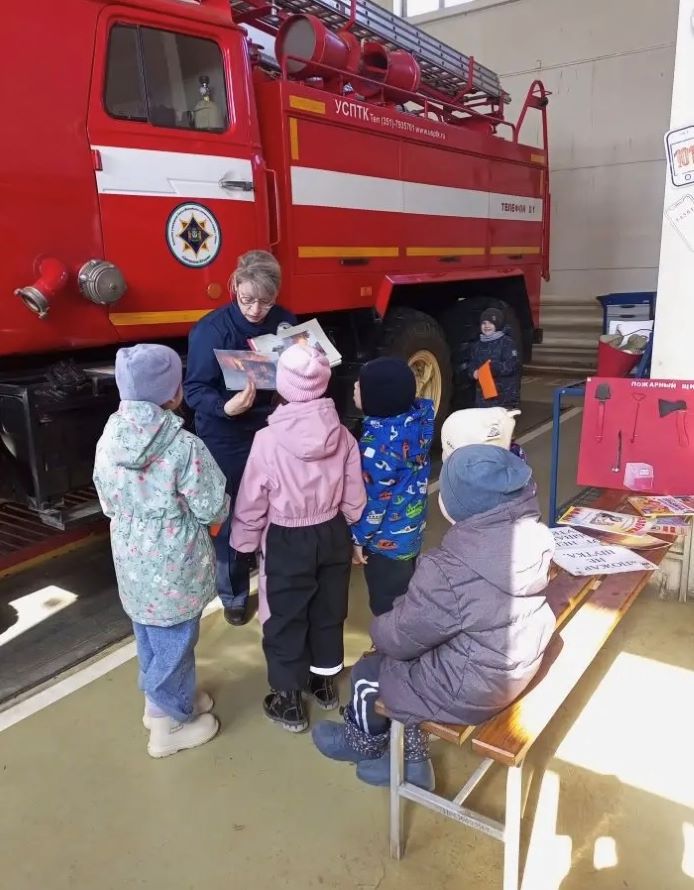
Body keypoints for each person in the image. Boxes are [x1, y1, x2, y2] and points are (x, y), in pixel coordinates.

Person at [312, 444, 555, 789]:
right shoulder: (534, 538)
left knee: (370, 672)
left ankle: (362, 743)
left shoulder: (449, 569)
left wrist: (379, 630)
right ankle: (414, 763)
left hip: (472, 688)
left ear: (458, 507)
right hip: (514, 663)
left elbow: (400, 636)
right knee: (419, 660)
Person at [93, 345, 229, 758]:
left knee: (151, 636)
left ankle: (164, 703)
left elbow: (107, 501)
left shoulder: (109, 438)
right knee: (176, 642)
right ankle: (168, 726)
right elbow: (211, 506)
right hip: (176, 564)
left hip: (131, 560)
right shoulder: (184, 446)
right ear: (174, 393)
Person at [231, 345, 367, 732]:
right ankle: (323, 685)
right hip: (332, 531)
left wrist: (243, 543)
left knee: (284, 617)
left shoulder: (267, 439)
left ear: (283, 386)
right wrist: (353, 526)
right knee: (328, 610)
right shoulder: (342, 435)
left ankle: (288, 700)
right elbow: (354, 492)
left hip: (286, 537)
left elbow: (252, 498)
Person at [184, 250, 295, 627]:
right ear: (234, 287)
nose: (255, 310)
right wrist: (225, 407)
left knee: (277, 507)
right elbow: (194, 389)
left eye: (266, 301)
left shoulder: (285, 323)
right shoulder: (211, 331)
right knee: (230, 513)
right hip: (226, 432)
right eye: (247, 299)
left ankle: (275, 582)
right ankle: (232, 593)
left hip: (272, 426)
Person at [350, 358, 435, 616]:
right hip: (411, 534)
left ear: (377, 399)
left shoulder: (378, 447)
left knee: (387, 606)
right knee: (406, 593)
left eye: (360, 385)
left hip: (385, 542)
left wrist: (358, 538)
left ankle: (392, 639)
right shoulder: (417, 424)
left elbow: (375, 501)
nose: (354, 386)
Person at [469, 307, 521, 410]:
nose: (486, 326)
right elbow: (472, 363)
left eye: (491, 323)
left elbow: (511, 366)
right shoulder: (477, 345)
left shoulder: (507, 343)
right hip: (483, 397)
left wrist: (491, 367)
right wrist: (473, 372)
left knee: (502, 419)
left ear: (498, 325)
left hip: (504, 396)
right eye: (484, 323)